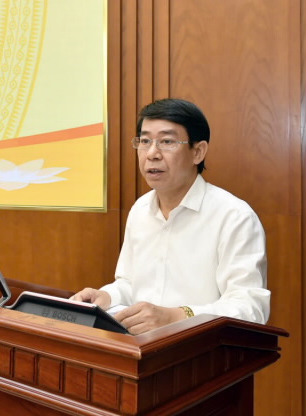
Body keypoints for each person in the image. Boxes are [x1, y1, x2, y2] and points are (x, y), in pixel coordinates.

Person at [71, 98, 270, 335]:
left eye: (167, 141)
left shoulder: (234, 217)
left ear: (198, 152)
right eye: (145, 141)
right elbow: (131, 283)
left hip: (201, 350)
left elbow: (250, 308)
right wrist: (106, 296)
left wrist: (177, 316)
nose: (152, 154)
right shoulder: (140, 209)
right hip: (138, 348)